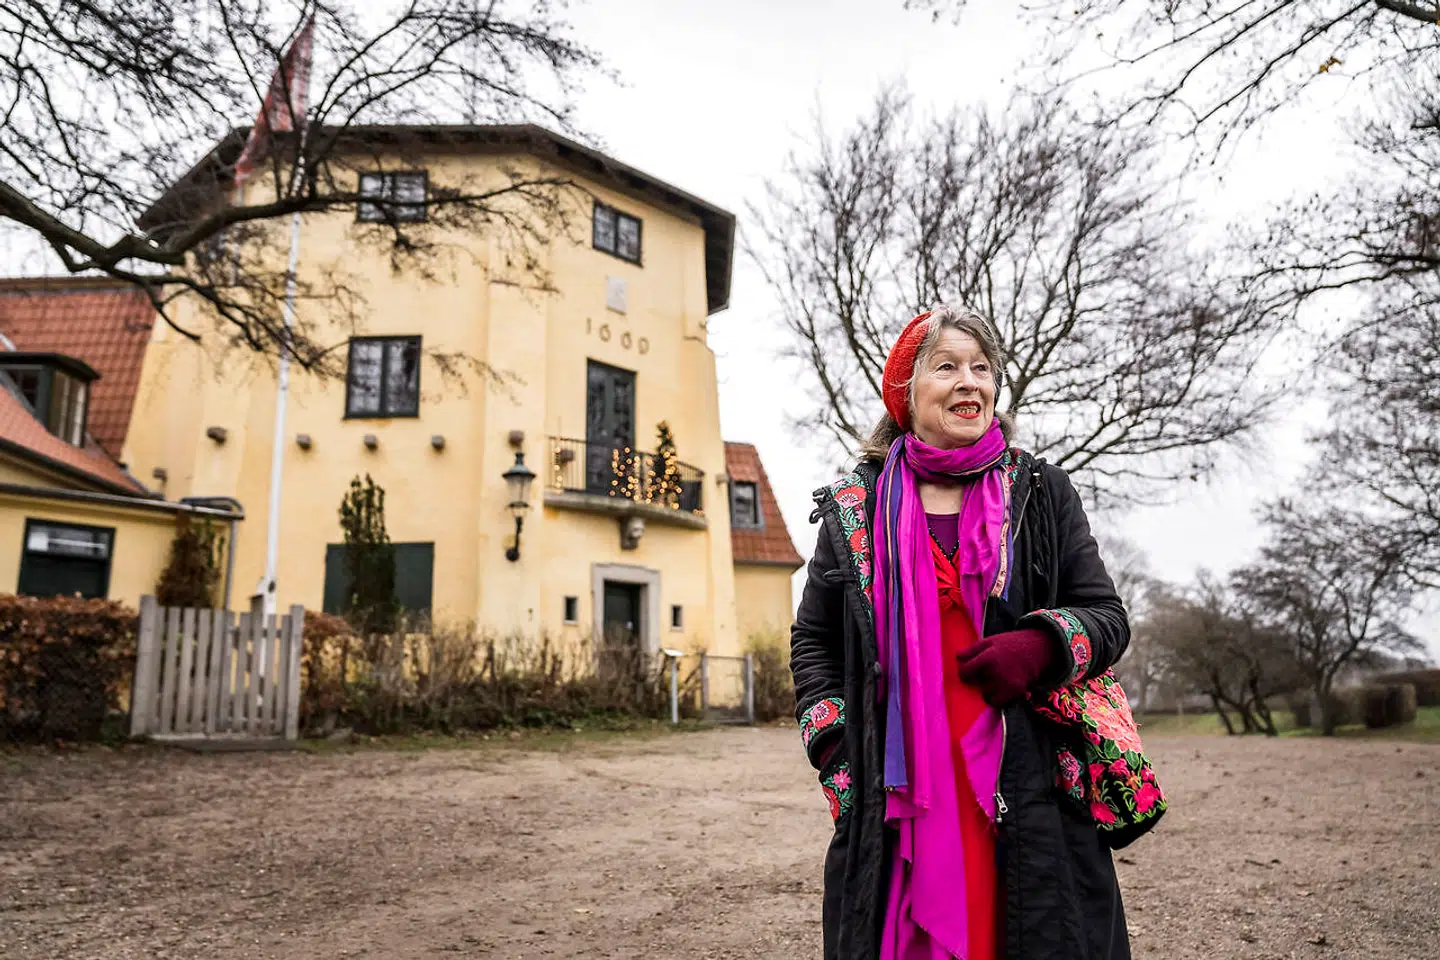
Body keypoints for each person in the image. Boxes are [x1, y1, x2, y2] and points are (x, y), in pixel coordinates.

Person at [791, 306, 1132, 960]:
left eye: (982, 369)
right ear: (905, 392)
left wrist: (1041, 645)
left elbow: (1106, 618)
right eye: (946, 367)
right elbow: (813, 644)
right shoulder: (852, 513)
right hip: (898, 798)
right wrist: (836, 753)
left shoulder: (1041, 492)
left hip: (1027, 788)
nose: (969, 383)